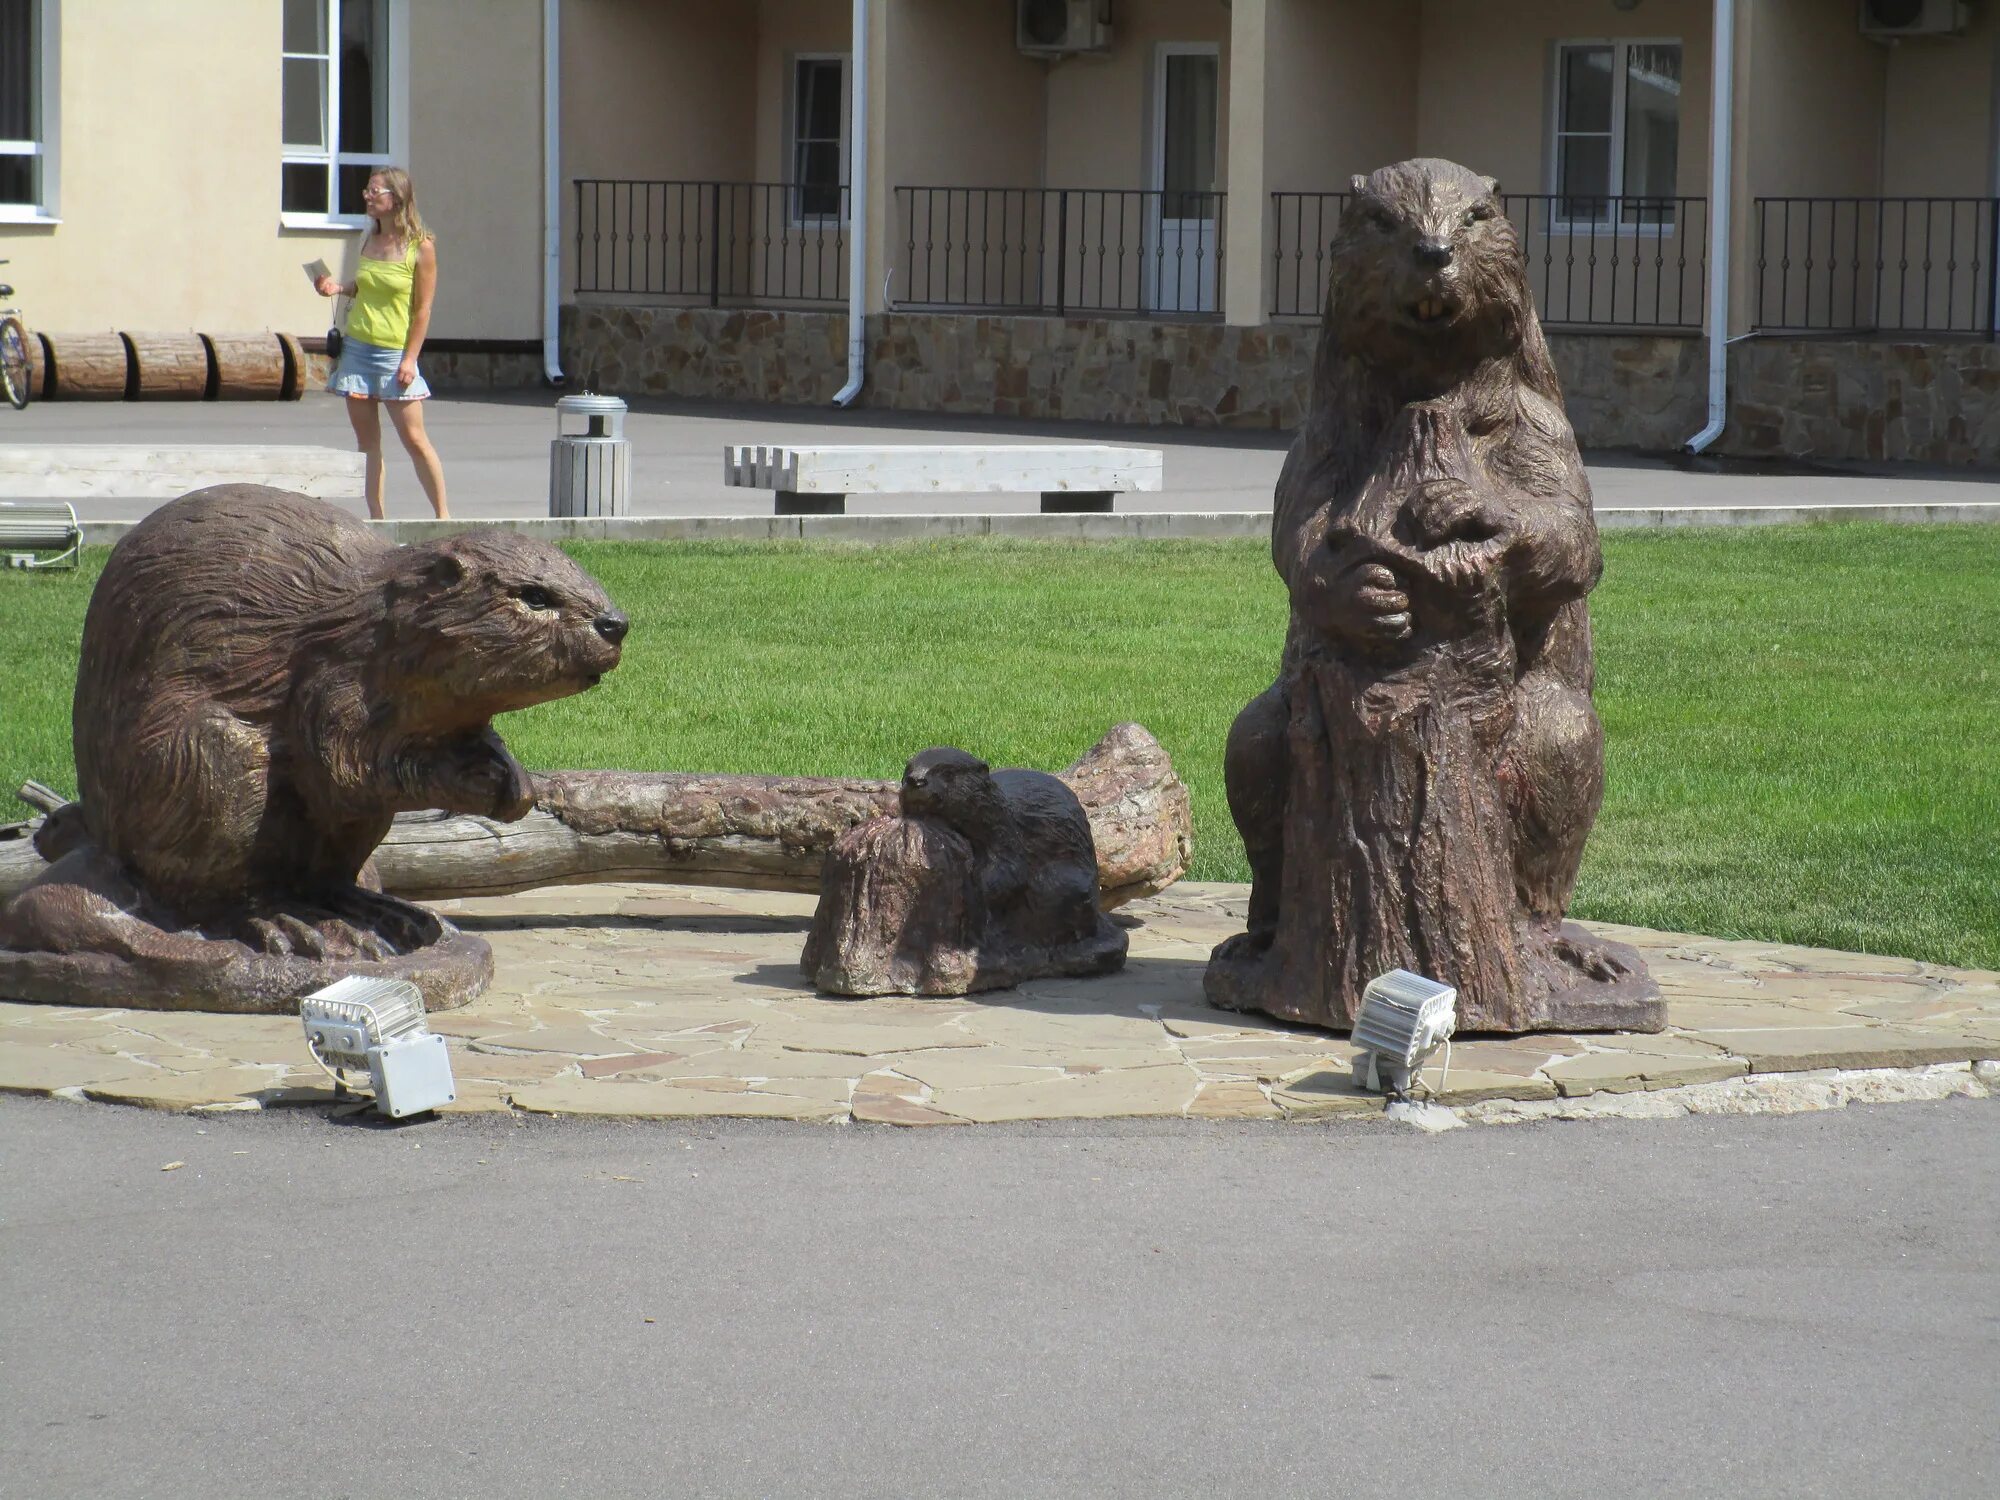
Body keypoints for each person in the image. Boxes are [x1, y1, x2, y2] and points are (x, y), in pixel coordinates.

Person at [315, 166, 448, 520]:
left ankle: (445, 518)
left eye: (375, 192)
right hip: (357, 350)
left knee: (415, 441)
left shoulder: (421, 248)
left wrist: (410, 359)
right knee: (367, 446)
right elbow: (366, 286)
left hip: (394, 355)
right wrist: (338, 288)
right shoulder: (369, 238)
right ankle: (377, 521)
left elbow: (423, 309)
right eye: (367, 191)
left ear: (397, 198)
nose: (368, 197)